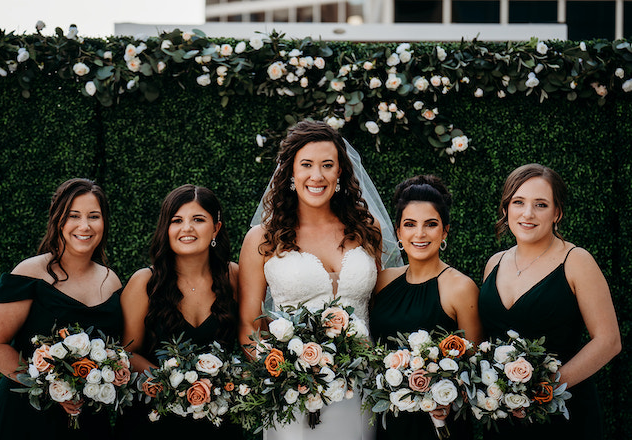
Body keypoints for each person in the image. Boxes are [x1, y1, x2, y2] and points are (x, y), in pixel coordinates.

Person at [239, 120, 387, 440]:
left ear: (340, 174)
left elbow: (380, 305)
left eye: (327, 165)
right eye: (306, 165)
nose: (316, 176)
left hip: (360, 387)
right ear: (290, 174)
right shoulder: (262, 239)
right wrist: (285, 373)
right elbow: (249, 326)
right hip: (294, 393)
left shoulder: (366, 228)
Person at [479, 163, 621, 439]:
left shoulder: (577, 261)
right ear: (506, 208)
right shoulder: (494, 263)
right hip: (502, 417)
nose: (528, 213)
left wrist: (543, 389)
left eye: (541, 205)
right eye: (518, 202)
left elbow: (608, 341)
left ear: (557, 213)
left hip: (562, 414)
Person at [0, 178, 123, 440]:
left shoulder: (111, 281)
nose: (84, 226)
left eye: (94, 216)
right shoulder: (30, 273)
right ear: (58, 220)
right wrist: (50, 389)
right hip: (27, 416)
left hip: (87, 418)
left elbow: (117, 348)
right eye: (73, 216)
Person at [116, 184, 243, 438]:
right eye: (177, 220)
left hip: (218, 421)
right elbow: (126, 352)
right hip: (154, 418)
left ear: (215, 228)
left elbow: (251, 338)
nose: (187, 228)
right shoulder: (145, 282)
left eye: (198, 219)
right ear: (167, 228)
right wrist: (176, 383)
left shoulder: (234, 277)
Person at [370, 175, 482, 440]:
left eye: (430, 224)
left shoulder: (460, 288)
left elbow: (476, 367)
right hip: (387, 421)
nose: (419, 234)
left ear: (444, 231)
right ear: (398, 232)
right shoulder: (383, 281)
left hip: (439, 423)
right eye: (410, 224)